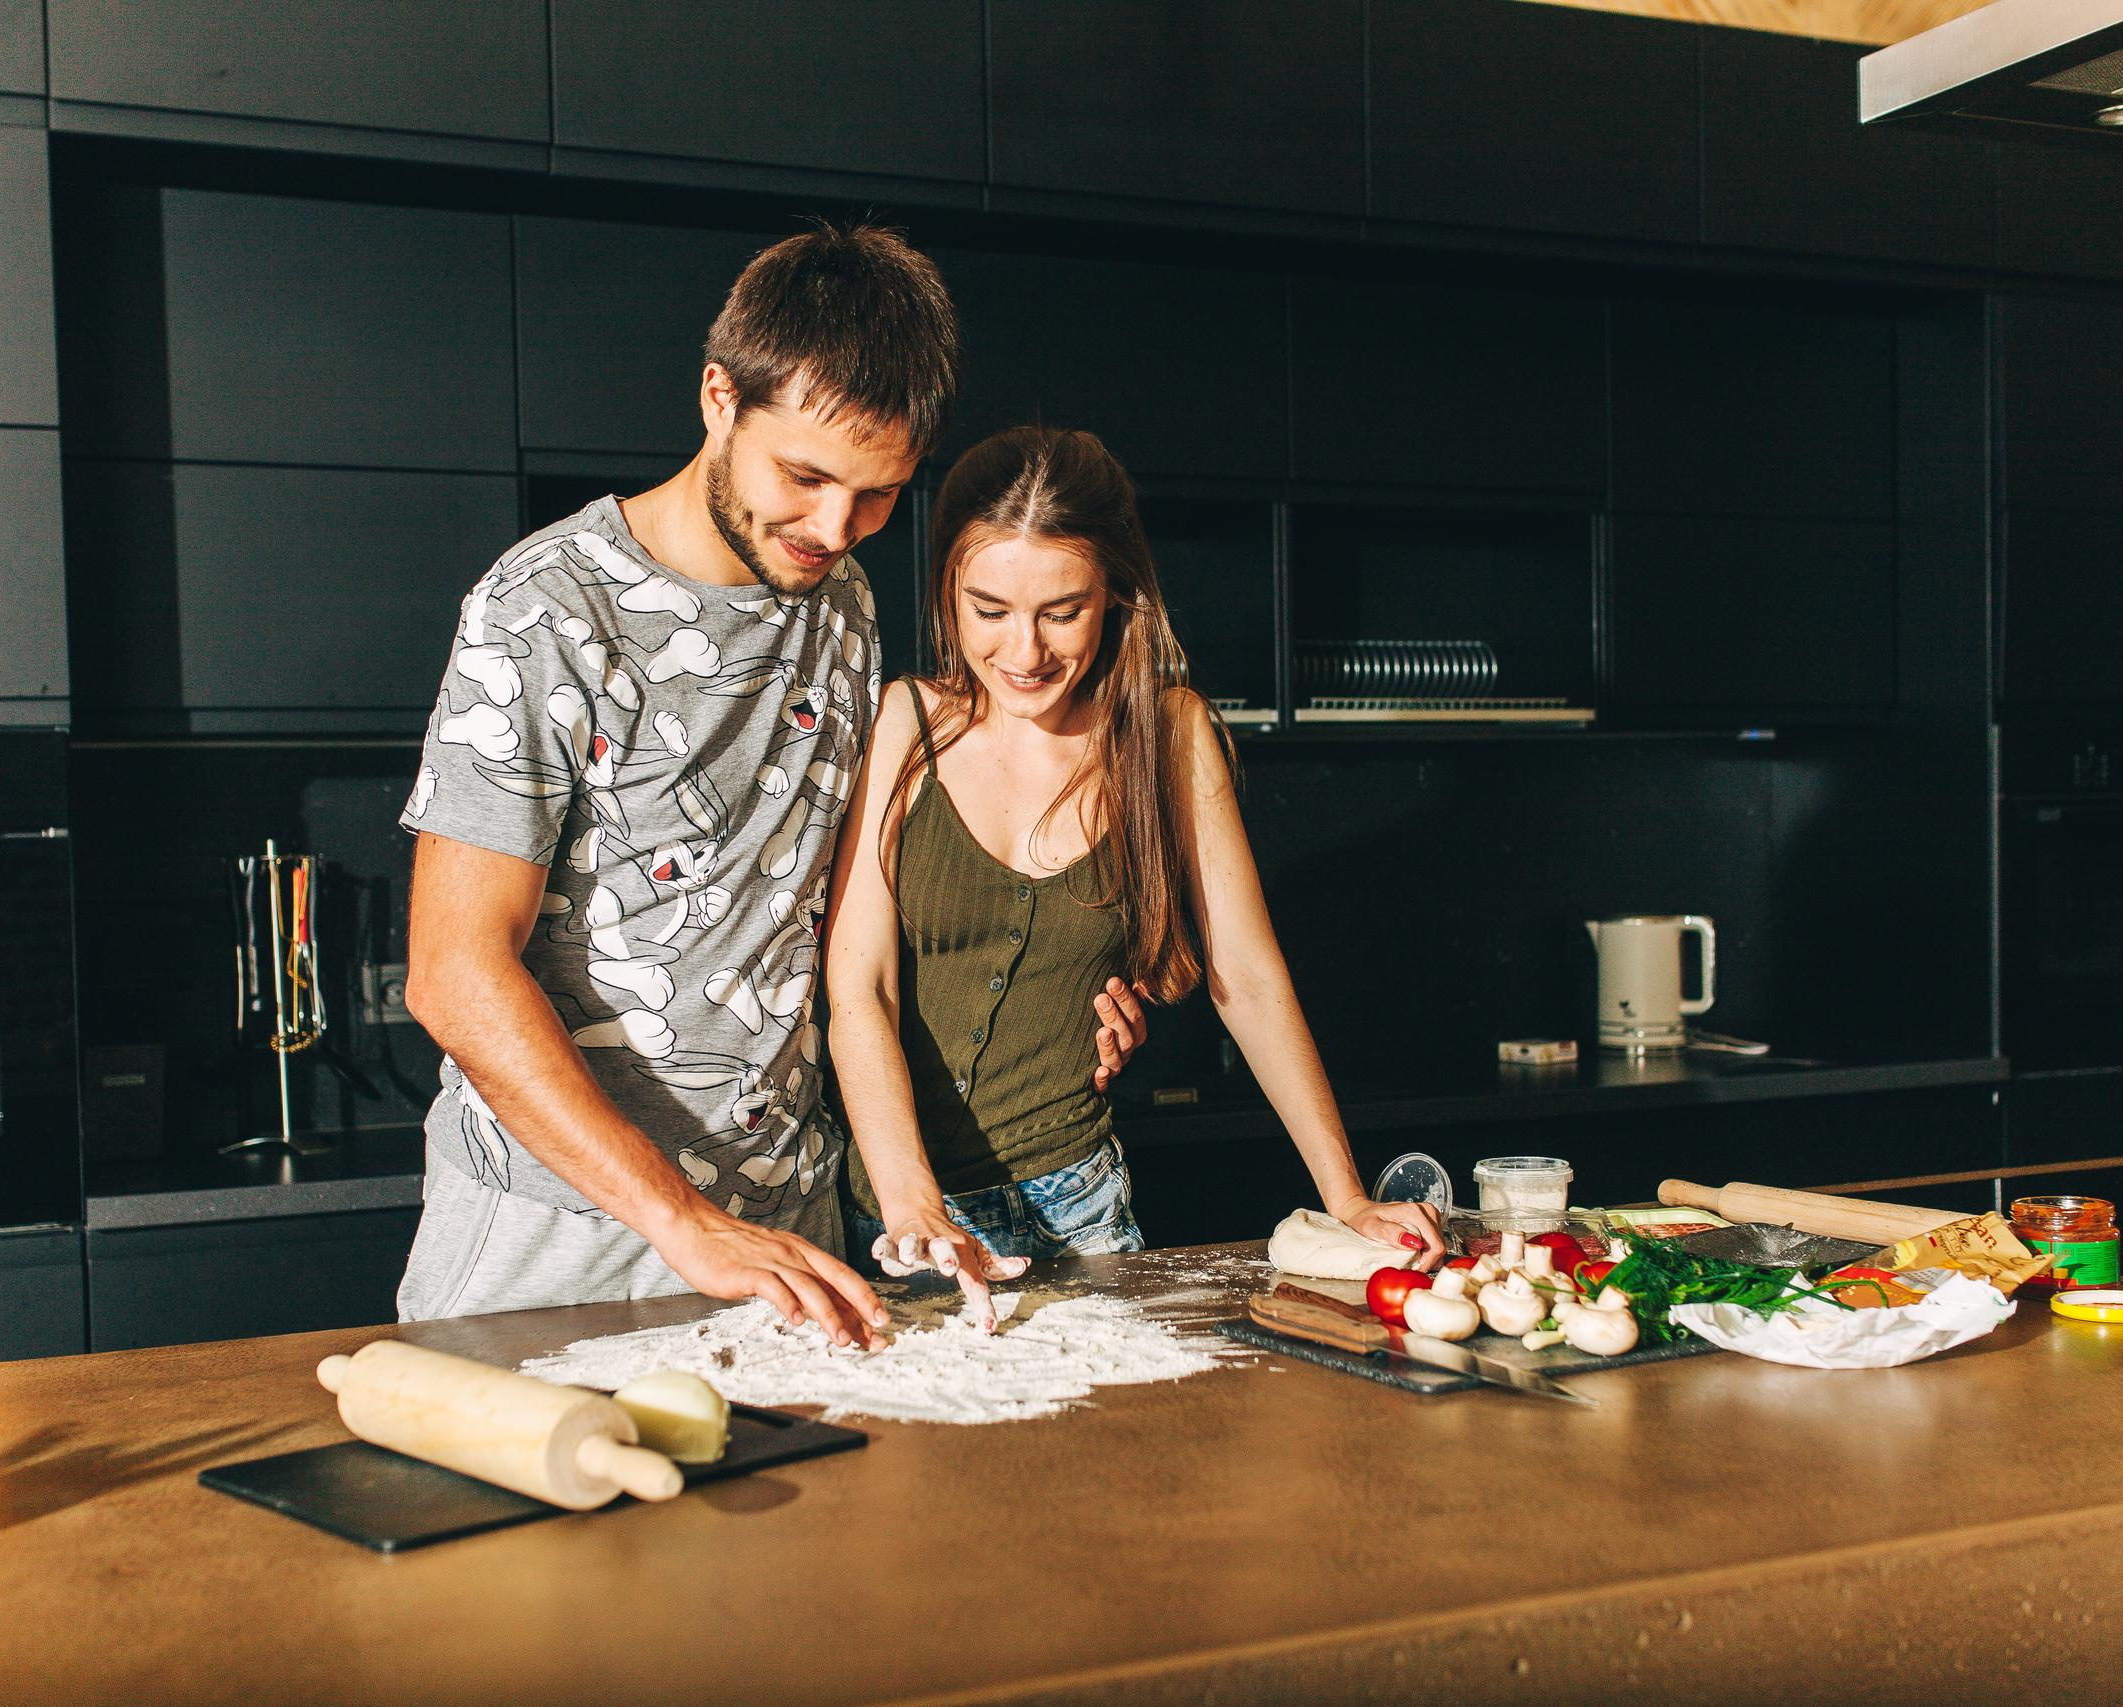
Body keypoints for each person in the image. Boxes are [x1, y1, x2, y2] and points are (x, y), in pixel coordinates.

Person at [395, 226, 1147, 1346]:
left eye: (878, 494)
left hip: (788, 1226)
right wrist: (681, 1218)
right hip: (559, 1230)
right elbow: (453, 977)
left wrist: (1066, 980)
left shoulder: (839, 601)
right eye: (804, 477)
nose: (835, 529)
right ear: (718, 399)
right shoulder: (542, 610)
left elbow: (853, 928)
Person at [822, 426, 1447, 1328]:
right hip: (897, 1213)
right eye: (988, 608)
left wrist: (1346, 1196)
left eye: (1061, 610)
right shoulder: (906, 725)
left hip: (1078, 1212)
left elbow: (1250, 979)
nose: (1024, 651)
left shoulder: (1170, 734)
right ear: (947, 592)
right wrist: (911, 1203)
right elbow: (860, 989)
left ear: (1115, 591)